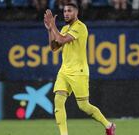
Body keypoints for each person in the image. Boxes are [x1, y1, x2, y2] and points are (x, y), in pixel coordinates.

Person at [44, 3, 116, 135]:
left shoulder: (80, 27)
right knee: (58, 101)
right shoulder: (65, 28)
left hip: (79, 72)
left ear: (76, 13)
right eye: (65, 11)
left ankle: (109, 125)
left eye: (69, 11)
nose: (66, 13)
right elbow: (54, 47)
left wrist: (53, 26)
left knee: (84, 106)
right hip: (64, 71)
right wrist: (50, 30)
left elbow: (61, 38)